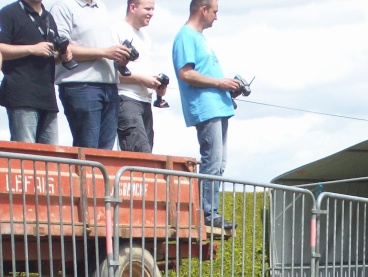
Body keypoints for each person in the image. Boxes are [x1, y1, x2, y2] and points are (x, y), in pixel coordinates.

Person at [172, 0, 239, 230]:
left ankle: (212, 210)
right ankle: (208, 212)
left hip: (219, 107)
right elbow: (186, 74)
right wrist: (220, 82)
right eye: (215, 12)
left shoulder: (199, 38)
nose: (216, 17)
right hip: (207, 108)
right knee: (212, 160)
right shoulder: (185, 36)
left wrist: (228, 86)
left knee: (219, 163)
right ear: (203, 10)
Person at [50, 0, 131, 149]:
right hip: (81, 86)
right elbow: (61, 49)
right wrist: (104, 52)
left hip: (109, 86)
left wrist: (120, 57)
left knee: (104, 154)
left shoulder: (101, 6)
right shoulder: (63, 6)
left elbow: (105, 48)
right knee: (87, 150)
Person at [0, 0, 70, 144]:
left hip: (48, 98)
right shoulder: (9, 12)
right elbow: (1, 49)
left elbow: (49, 56)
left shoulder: (48, 17)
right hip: (21, 96)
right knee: (26, 156)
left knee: (50, 159)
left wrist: (62, 57)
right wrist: (31, 49)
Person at [115, 0, 166, 153]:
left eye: (153, 9)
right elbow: (111, 71)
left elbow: (141, 70)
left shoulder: (145, 37)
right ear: (133, 7)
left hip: (145, 101)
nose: (151, 13)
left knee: (147, 156)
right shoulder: (117, 30)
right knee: (140, 155)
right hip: (126, 99)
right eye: (148, 9)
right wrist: (143, 80)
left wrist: (156, 85)